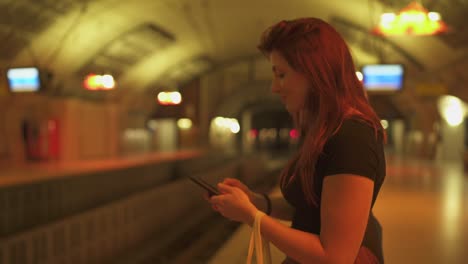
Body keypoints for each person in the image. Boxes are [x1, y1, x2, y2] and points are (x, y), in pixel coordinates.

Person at [208, 17, 386, 264]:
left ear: (315, 73)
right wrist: (257, 202)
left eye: (281, 74)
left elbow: (335, 257)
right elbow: (314, 207)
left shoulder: (352, 138)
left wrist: (252, 216)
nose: (274, 87)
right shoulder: (326, 129)